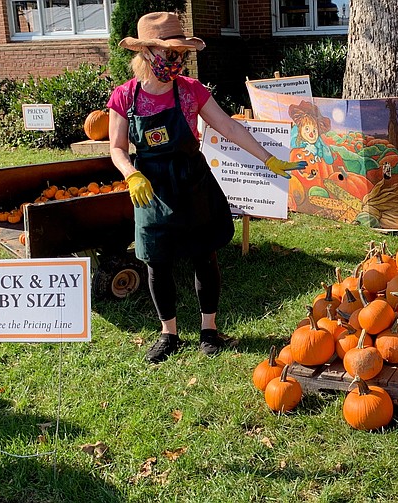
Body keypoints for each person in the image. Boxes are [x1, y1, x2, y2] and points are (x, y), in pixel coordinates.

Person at [107, 12, 305, 363]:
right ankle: (169, 334)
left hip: (192, 181)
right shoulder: (126, 97)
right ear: (147, 53)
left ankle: (208, 330)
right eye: (170, 54)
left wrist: (267, 158)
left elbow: (229, 128)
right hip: (151, 188)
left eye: (181, 53)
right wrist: (130, 174)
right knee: (157, 262)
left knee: (204, 255)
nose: (178, 60)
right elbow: (117, 148)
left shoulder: (191, 91)